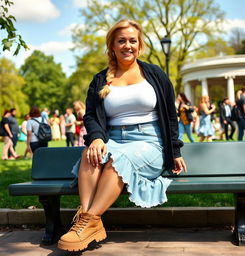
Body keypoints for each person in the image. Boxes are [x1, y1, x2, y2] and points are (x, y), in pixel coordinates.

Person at [58, 19, 186, 252]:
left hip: (150, 142)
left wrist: (175, 150)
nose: (128, 45)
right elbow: (91, 117)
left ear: (140, 45)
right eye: (121, 41)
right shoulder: (100, 79)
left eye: (132, 41)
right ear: (112, 46)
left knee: (117, 161)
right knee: (91, 154)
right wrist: (96, 138)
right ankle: (87, 223)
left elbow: (170, 114)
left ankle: (87, 223)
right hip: (113, 139)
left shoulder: (155, 74)